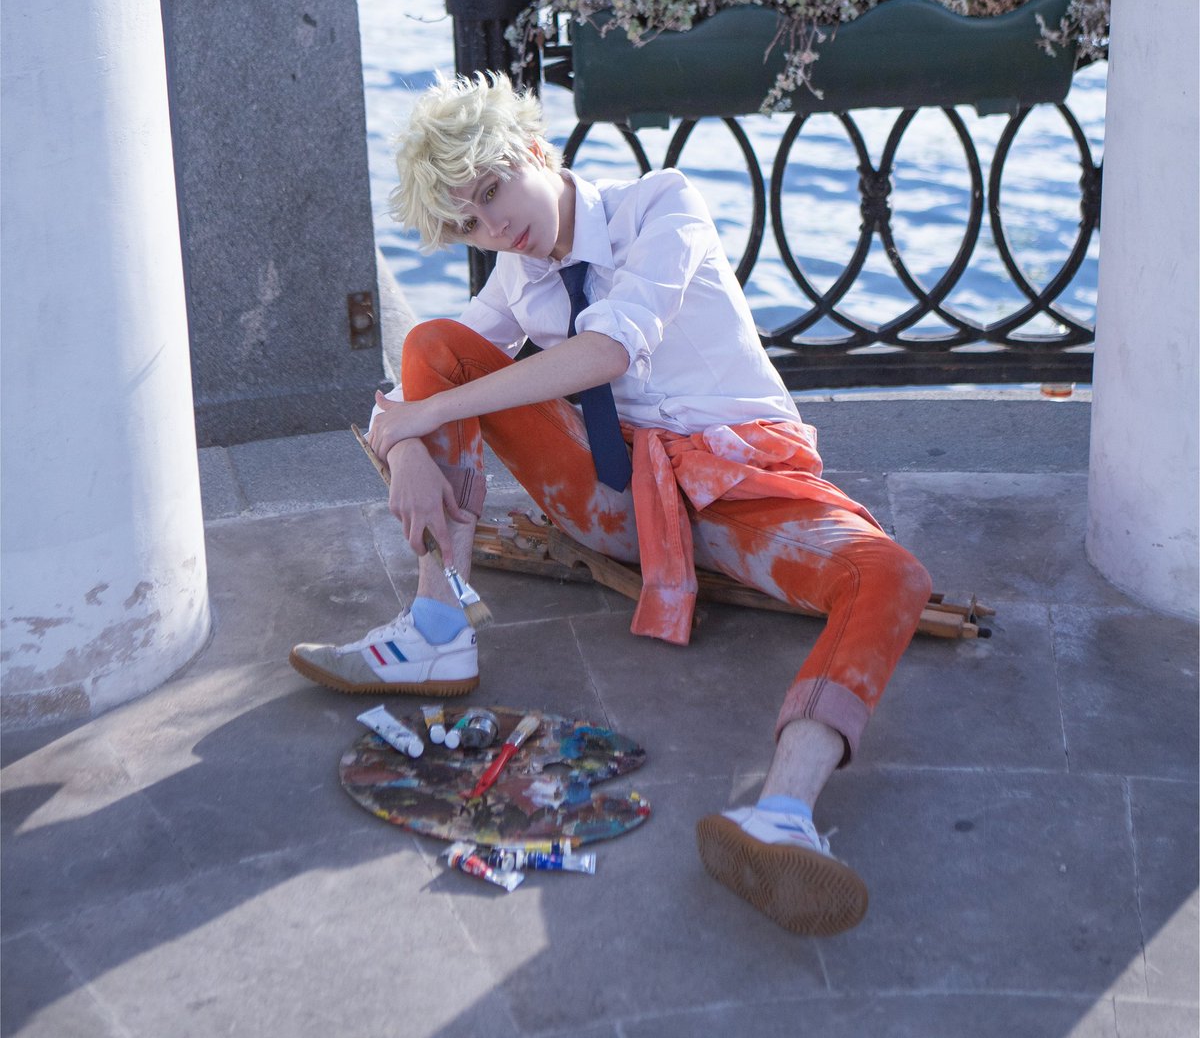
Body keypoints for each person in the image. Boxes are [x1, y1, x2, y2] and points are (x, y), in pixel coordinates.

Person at [289, 72, 932, 936]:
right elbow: (418, 380)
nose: (494, 227)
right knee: (437, 342)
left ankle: (780, 812)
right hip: (619, 499)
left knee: (890, 575)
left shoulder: (661, 205)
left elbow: (608, 351)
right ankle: (437, 628)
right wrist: (405, 443)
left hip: (739, 487)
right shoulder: (518, 276)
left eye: (492, 190)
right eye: (469, 223)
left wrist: (425, 417)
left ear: (534, 149)